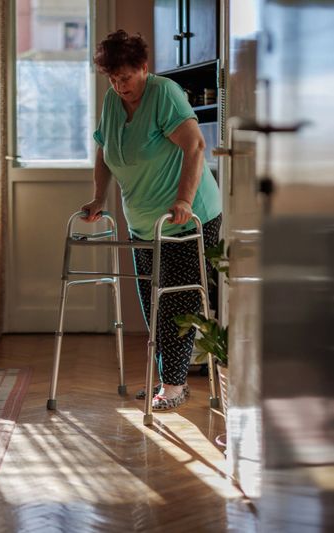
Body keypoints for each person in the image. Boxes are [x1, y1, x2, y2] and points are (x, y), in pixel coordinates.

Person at [81, 30, 222, 411]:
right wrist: (99, 197)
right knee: (152, 301)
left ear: (144, 68)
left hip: (187, 218)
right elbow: (103, 149)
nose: (118, 84)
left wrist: (184, 200)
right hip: (144, 221)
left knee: (177, 300)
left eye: (125, 76)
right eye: (112, 78)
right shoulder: (113, 100)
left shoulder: (164, 94)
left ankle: (175, 386)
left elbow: (194, 145)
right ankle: (167, 379)